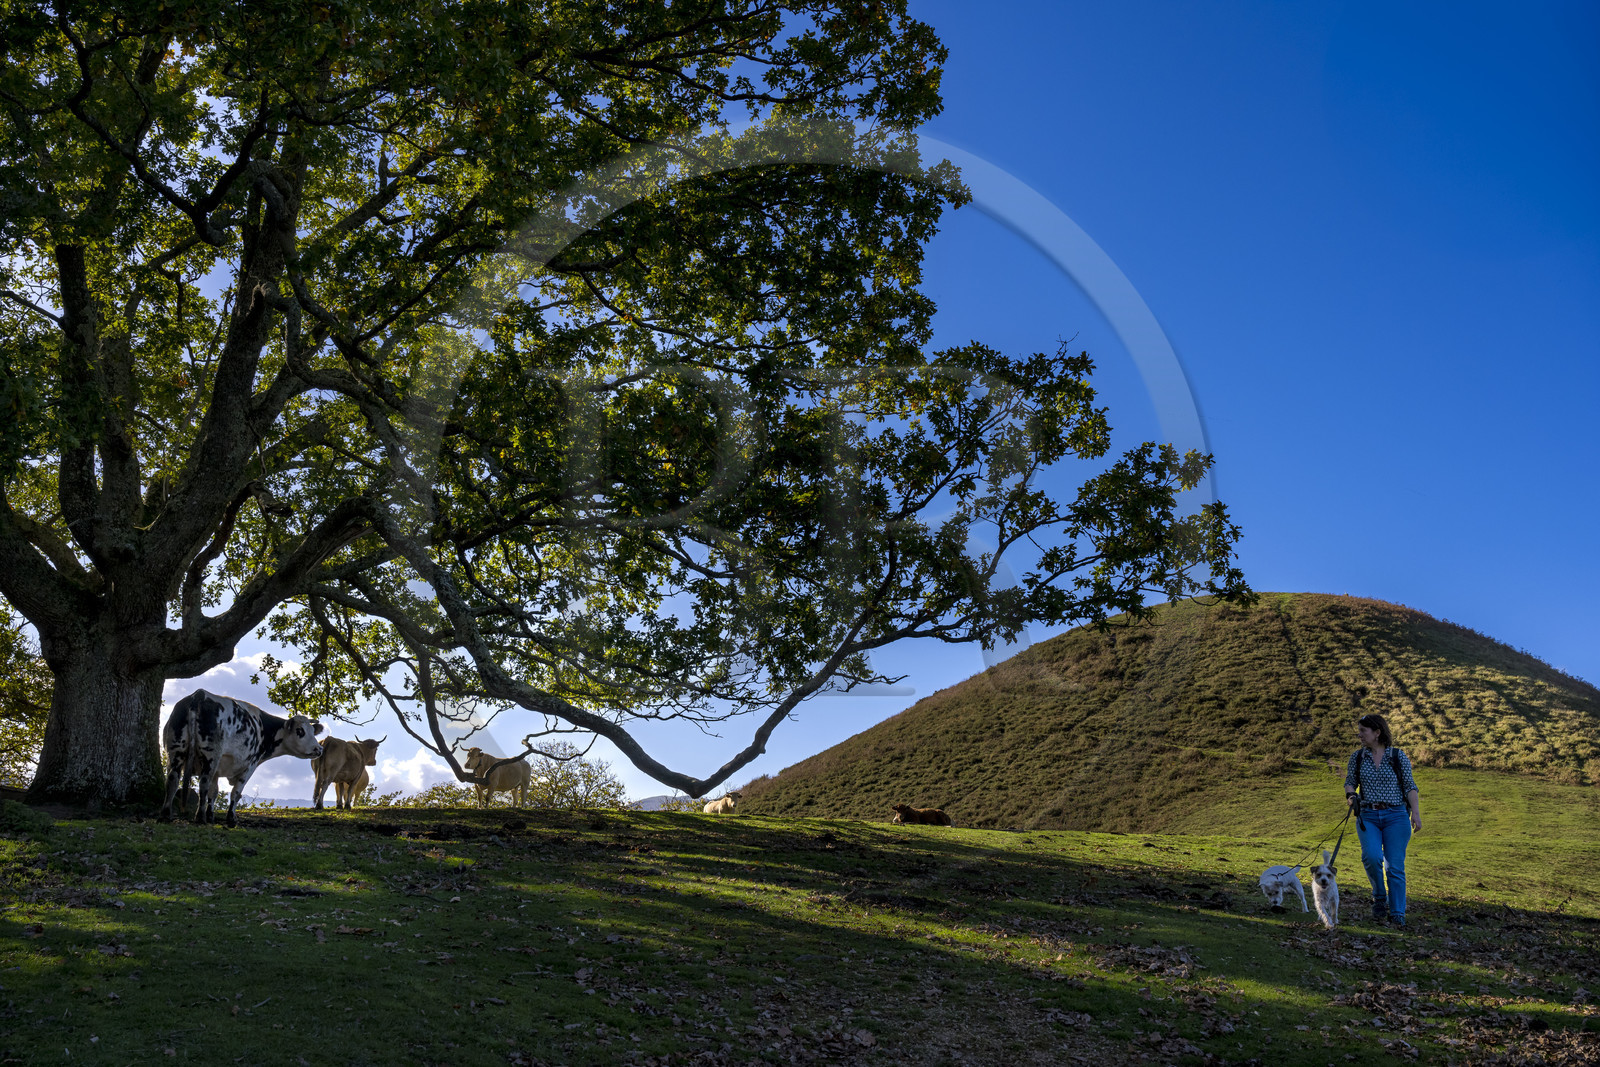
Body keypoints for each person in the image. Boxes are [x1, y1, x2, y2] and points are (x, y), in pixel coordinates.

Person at [1344, 713, 1422, 927]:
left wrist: (1415, 813)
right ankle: (1379, 896)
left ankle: (1397, 914)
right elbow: (1350, 782)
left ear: (1377, 732)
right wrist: (1351, 796)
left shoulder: (1397, 756)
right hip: (1368, 815)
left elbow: (1410, 786)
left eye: (1363, 731)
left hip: (1396, 816)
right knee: (1371, 856)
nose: (1359, 734)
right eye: (1359, 730)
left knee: (1394, 866)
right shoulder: (1358, 757)